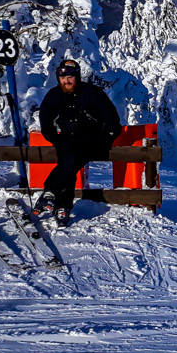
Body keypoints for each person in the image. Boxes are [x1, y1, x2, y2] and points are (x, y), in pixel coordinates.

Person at [36, 59, 122, 227]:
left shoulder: (92, 93)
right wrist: (55, 138)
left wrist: (105, 138)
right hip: (66, 141)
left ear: (77, 76)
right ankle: (63, 206)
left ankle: (50, 191)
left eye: (70, 77)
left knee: (70, 157)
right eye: (62, 78)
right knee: (69, 159)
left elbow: (111, 117)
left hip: (91, 141)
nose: (66, 81)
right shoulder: (54, 96)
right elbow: (45, 121)